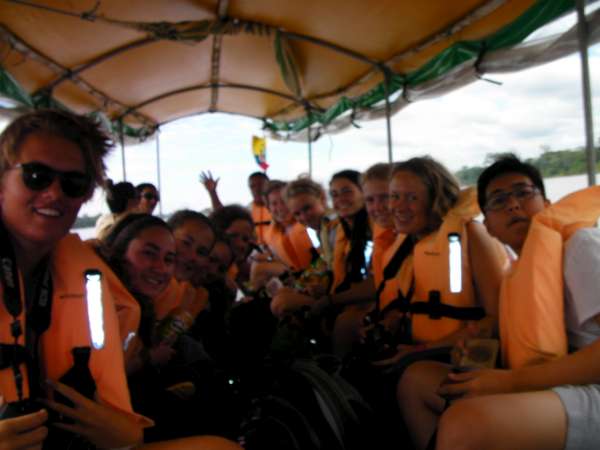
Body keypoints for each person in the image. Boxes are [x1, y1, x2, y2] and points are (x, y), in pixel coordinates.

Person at [416, 156, 600, 450]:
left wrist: (511, 382)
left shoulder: (581, 246)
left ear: (547, 204)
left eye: (523, 193)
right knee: (417, 380)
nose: (513, 205)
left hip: (592, 387)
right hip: (550, 381)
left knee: (467, 424)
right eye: (499, 200)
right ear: (489, 226)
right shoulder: (515, 272)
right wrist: (479, 348)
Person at [0, 109, 143, 449]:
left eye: (73, 183)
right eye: (36, 176)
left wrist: (126, 437)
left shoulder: (85, 274)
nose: (54, 193)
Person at [200, 170, 272, 244]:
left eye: (261, 185)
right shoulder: (247, 211)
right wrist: (213, 192)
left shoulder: (277, 209)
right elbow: (222, 216)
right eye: (252, 186)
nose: (257, 189)